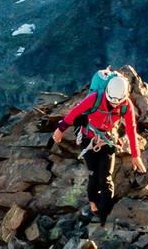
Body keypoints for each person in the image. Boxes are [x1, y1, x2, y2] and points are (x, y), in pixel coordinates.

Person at [56, 68, 142, 221]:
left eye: (117, 102)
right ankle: (94, 205)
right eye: (110, 101)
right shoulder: (95, 98)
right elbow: (75, 112)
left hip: (108, 139)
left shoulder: (126, 105)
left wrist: (136, 155)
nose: (113, 104)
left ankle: (103, 215)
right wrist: (60, 129)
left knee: (105, 178)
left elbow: (131, 128)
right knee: (94, 175)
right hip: (88, 138)